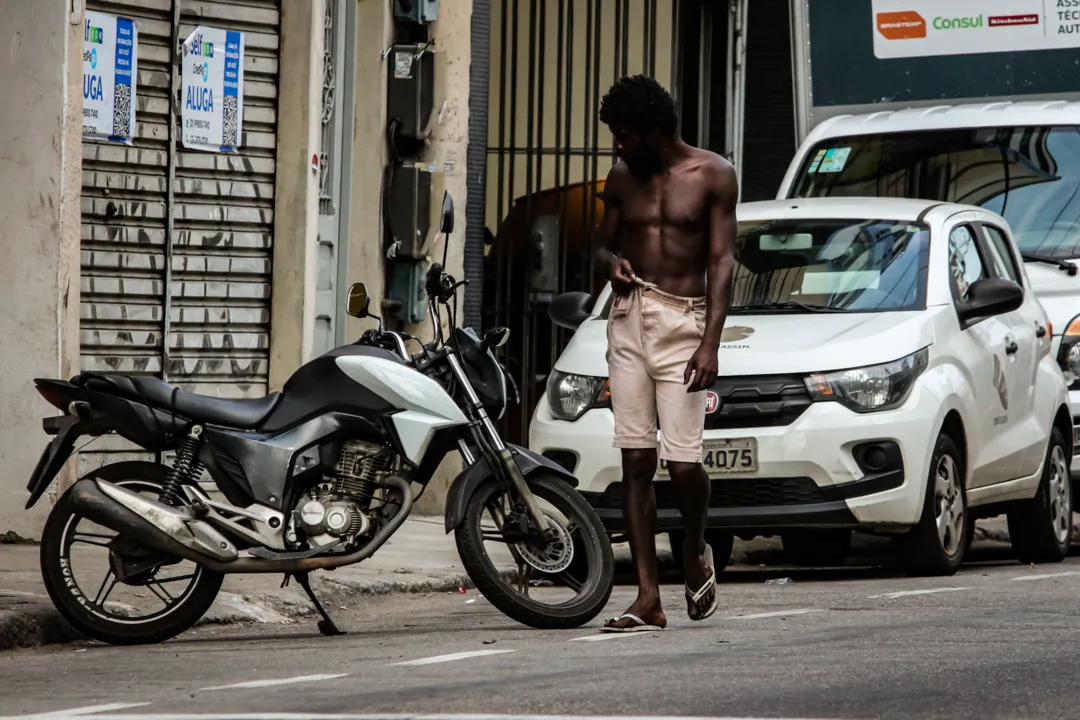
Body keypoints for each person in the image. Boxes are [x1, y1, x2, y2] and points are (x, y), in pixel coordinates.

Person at [594, 75, 738, 632]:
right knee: (635, 459)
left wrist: (711, 342)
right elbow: (600, 243)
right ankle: (648, 598)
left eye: (624, 134)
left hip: (685, 319)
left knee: (682, 463)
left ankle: (696, 547)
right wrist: (609, 262)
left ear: (653, 130)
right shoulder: (622, 178)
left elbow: (723, 260)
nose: (616, 145)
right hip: (629, 317)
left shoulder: (714, 174)